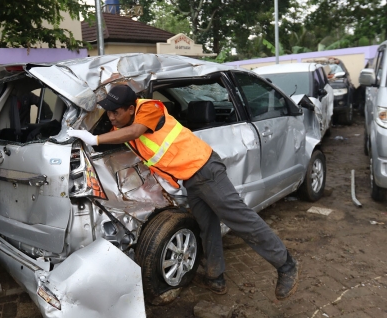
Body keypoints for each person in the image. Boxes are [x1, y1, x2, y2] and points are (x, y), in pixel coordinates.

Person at [67, 84, 299, 300]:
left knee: (240, 219)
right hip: (191, 178)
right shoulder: (121, 123)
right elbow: (123, 132)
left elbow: (135, 132)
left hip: (205, 170)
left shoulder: (148, 108)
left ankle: (286, 265)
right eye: (108, 113)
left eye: (115, 112)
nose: (111, 118)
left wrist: (95, 139)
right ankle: (215, 277)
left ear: (130, 108)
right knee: (207, 226)